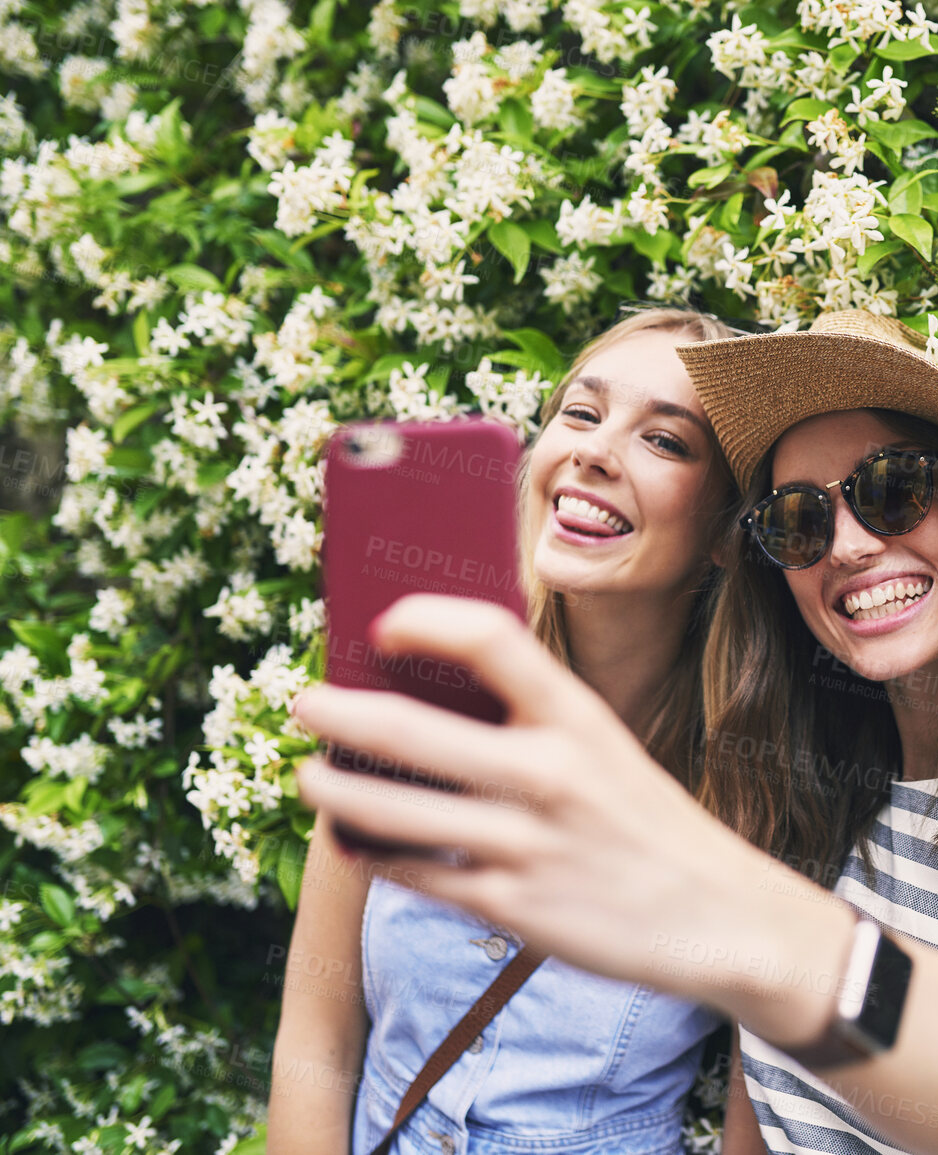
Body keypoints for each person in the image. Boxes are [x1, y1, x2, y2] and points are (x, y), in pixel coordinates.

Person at [291, 311, 938, 1155]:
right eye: (798, 518)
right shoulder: (823, 798)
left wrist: (713, 903)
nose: (848, 544)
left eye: (893, 489)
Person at [266, 306, 738, 1155]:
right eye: (582, 414)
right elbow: (315, 1036)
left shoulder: (752, 786)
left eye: (665, 440)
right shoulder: (411, 706)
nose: (595, 450)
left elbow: (763, 1121)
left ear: (725, 533)